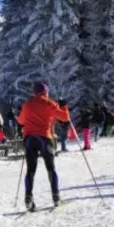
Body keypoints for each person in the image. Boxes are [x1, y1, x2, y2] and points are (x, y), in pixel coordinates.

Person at [18, 81, 71, 211]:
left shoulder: (27, 104)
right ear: (46, 92)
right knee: (50, 168)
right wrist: (63, 106)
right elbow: (64, 118)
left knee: (31, 170)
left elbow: (20, 121)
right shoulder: (49, 103)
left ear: (35, 93)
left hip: (30, 139)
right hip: (45, 138)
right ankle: (56, 197)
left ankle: (28, 199)